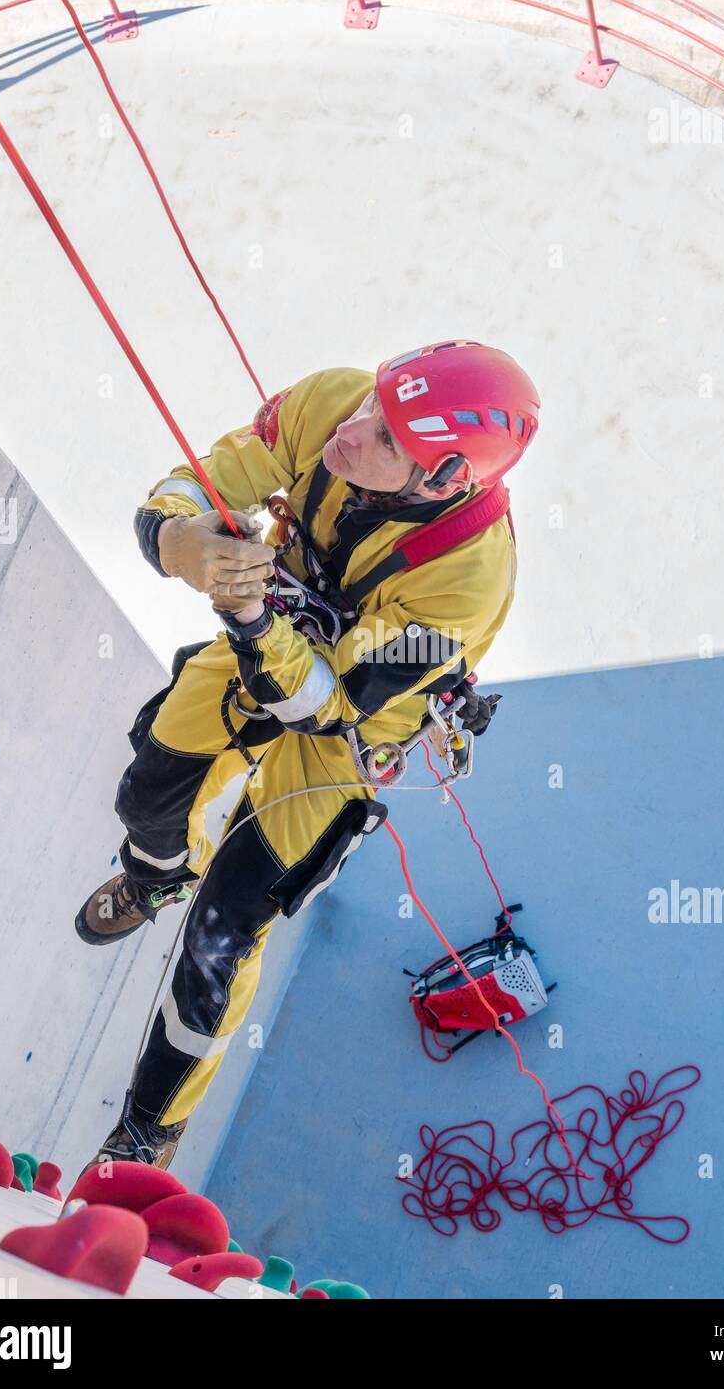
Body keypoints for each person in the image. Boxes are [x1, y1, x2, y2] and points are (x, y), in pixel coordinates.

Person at [74, 339, 540, 1170]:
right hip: (272, 638)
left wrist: (252, 617)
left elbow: (325, 701)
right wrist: (179, 536)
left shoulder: (465, 589)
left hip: (347, 735)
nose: (353, 433)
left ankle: (149, 1127)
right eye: (373, 407)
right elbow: (207, 474)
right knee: (150, 793)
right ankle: (154, 874)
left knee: (223, 934)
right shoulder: (333, 400)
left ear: (443, 481)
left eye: (389, 440)